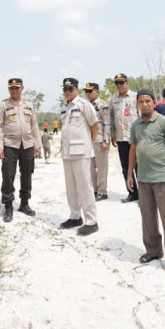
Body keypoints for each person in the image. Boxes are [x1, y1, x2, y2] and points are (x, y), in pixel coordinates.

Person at [127, 89, 165, 275]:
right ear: (137, 103)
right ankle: (153, 251)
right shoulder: (135, 125)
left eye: (148, 101)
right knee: (148, 218)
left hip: (162, 179)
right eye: (141, 101)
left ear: (154, 102)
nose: (144, 104)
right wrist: (129, 175)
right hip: (143, 179)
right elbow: (133, 150)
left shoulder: (163, 122)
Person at [0, 78, 41, 222]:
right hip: (10, 144)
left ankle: (24, 203)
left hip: (27, 144)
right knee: (8, 175)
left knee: (27, 174)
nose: (14, 90)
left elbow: (34, 126)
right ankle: (8, 205)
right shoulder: (3, 105)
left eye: (17, 87)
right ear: (9, 89)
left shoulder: (29, 105)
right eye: (11, 88)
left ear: (22, 88)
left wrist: (37, 144)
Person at [58, 78, 100, 236]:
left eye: (70, 89)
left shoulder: (84, 104)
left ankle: (91, 221)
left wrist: (90, 143)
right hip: (67, 152)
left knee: (85, 186)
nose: (67, 92)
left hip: (81, 152)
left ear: (77, 89)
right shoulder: (64, 107)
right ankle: (75, 216)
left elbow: (94, 125)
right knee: (71, 187)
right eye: (65, 89)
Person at [110, 73, 140, 203]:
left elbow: (141, 116)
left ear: (127, 83)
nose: (119, 85)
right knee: (126, 168)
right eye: (117, 83)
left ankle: (144, 195)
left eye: (121, 82)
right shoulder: (112, 99)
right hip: (121, 138)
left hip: (136, 138)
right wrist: (112, 135)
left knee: (139, 167)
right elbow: (111, 118)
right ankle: (132, 193)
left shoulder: (135, 97)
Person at [84, 82, 111, 201]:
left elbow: (107, 123)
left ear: (97, 92)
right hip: (88, 141)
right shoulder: (85, 105)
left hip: (100, 141)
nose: (88, 94)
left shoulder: (103, 105)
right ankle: (94, 190)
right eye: (86, 91)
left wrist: (106, 140)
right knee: (90, 168)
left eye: (90, 91)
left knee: (102, 168)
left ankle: (102, 191)